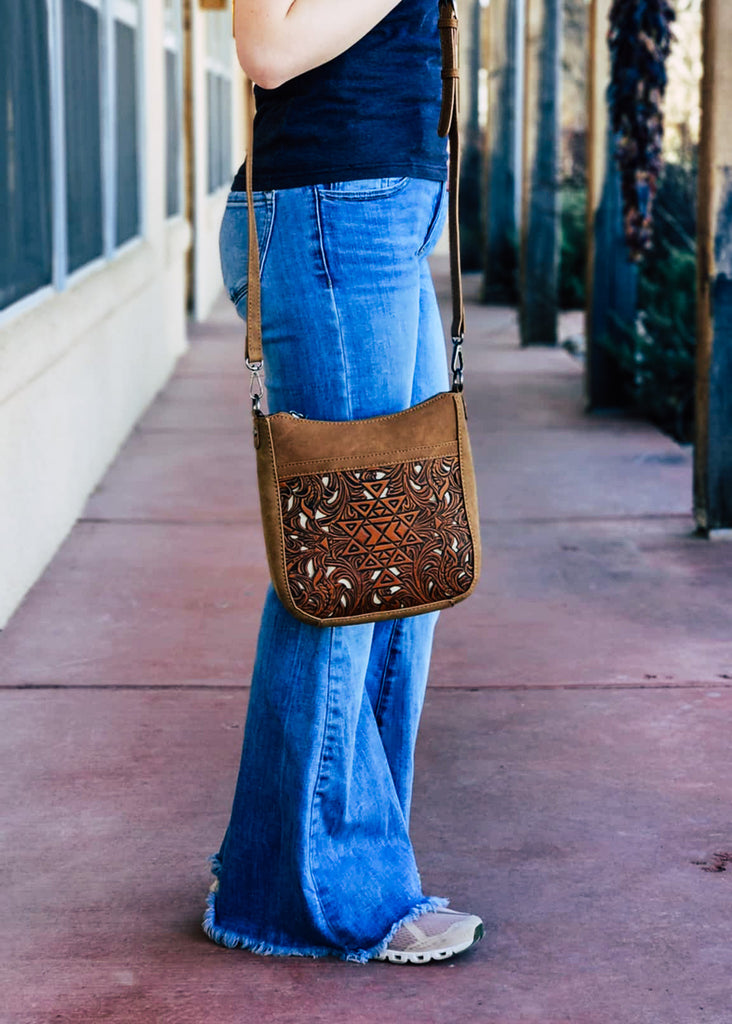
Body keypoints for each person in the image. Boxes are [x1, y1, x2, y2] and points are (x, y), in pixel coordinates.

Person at [203, 0, 483, 965]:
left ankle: (323, 858)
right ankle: (317, 892)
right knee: (347, 564)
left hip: (379, 210)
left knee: (405, 567)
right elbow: (267, 45)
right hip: (332, 212)